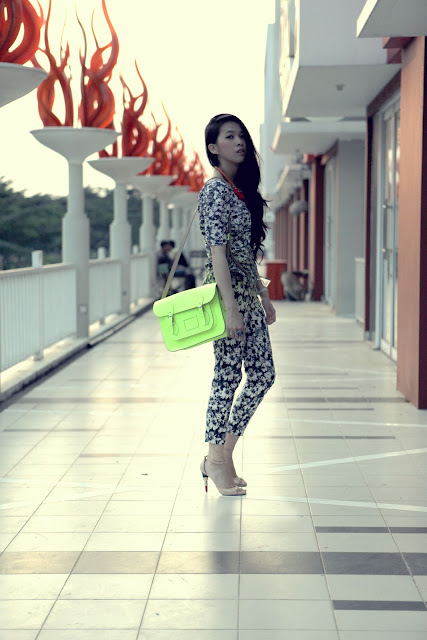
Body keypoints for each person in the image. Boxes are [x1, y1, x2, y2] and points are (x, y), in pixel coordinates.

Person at [198, 113, 276, 497]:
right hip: (227, 297)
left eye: (242, 135)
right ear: (214, 148)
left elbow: (244, 253)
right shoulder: (215, 191)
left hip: (247, 295)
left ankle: (221, 454)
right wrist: (230, 308)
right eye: (230, 136)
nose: (240, 141)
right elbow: (219, 254)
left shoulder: (237, 191)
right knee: (227, 377)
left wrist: (263, 295)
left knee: (263, 375)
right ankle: (216, 459)